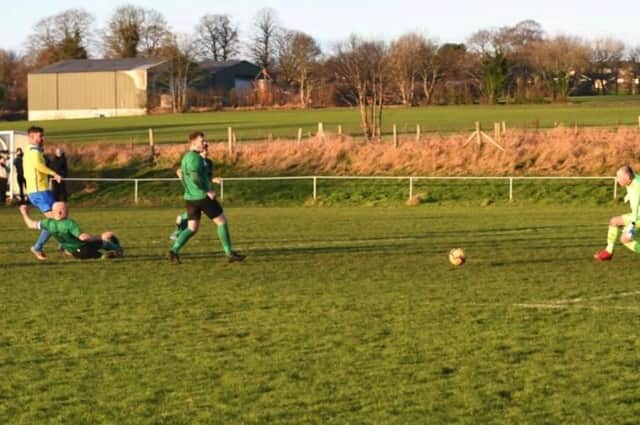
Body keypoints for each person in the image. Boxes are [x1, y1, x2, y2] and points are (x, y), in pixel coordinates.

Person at [167, 131, 244, 264]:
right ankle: (229, 253)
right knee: (221, 221)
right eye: (202, 141)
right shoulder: (195, 158)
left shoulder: (187, 157)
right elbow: (195, 178)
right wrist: (207, 190)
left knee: (192, 228)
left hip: (190, 198)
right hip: (202, 197)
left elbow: (192, 176)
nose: (205, 143)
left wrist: (211, 180)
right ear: (193, 143)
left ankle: (174, 251)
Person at [18, 202, 123, 260]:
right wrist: (100, 236)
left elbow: (30, 224)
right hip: (83, 248)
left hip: (75, 253)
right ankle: (115, 250)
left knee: (98, 255)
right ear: (60, 212)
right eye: (66, 210)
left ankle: (105, 255)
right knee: (104, 241)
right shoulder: (69, 223)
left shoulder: (48, 223)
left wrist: (24, 213)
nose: (68, 211)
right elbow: (84, 237)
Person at [23, 126, 63, 260]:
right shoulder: (33, 152)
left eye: (43, 136)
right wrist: (54, 173)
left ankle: (62, 244)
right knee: (54, 220)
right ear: (31, 137)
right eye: (40, 136)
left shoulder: (32, 151)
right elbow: (38, 167)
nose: (42, 138)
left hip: (39, 191)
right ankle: (38, 247)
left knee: (57, 218)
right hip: (39, 191)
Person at [169, 141, 220, 240]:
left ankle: (182, 223)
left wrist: (214, 180)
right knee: (201, 214)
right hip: (195, 191)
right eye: (204, 148)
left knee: (201, 213)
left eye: (206, 148)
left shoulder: (209, 163)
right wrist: (181, 176)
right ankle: (180, 227)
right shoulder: (194, 160)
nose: (205, 150)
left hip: (206, 191)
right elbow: (181, 171)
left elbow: (206, 177)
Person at [594, 165, 640, 261]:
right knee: (614, 222)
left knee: (625, 239)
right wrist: (628, 195)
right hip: (637, 215)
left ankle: (609, 252)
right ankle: (608, 252)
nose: (617, 180)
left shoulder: (637, 187)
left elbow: (635, 210)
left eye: (619, 177)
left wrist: (632, 225)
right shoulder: (633, 179)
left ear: (627, 178)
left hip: (637, 217)